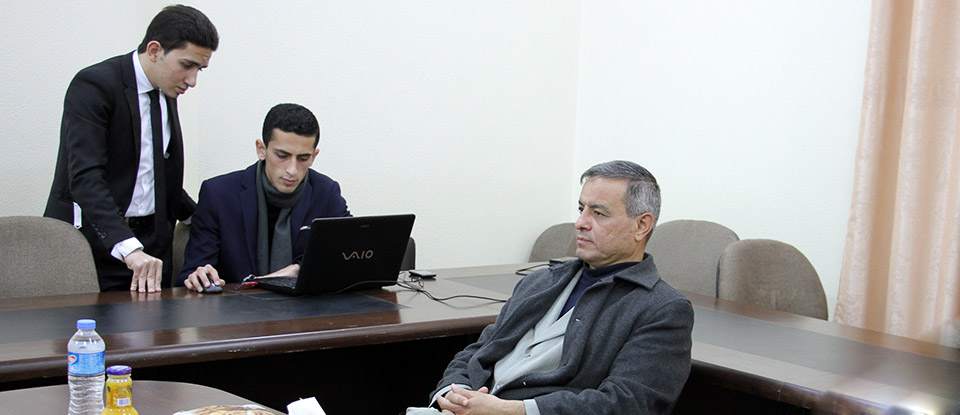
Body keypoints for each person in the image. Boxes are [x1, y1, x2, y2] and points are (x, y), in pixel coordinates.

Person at [408, 160, 694, 415]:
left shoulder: (663, 309)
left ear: (642, 226)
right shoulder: (539, 282)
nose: (580, 223)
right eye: (581, 209)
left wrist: (511, 411)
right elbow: (479, 350)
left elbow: (629, 403)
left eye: (598, 213)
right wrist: (453, 394)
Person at [44, 5, 219, 293]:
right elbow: (85, 179)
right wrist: (128, 247)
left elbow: (155, 173)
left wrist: (206, 219)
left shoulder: (166, 89)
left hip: (152, 249)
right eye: (186, 65)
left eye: (199, 69)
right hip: (93, 244)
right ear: (154, 50)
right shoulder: (94, 84)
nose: (192, 80)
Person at [177, 103, 351, 292]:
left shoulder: (326, 192)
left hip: (304, 306)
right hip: (237, 305)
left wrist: (301, 269)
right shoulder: (218, 194)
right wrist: (199, 275)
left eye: (303, 158)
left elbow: (350, 257)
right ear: (261, 149)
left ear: (314, 156)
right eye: (282, 156)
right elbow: (191, 272)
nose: (292, 170)